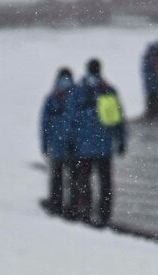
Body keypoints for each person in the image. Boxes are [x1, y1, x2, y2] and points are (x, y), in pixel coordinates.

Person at [68, 58, 127, 227]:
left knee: (84, 180)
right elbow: (118, 119)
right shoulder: (109, 90)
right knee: (105, 182)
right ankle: (104, 214)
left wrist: (69, 141)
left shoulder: (77, 91)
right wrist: (121, 140)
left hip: (82, 146)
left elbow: (70, 119)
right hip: (104, 145)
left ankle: (85, 211)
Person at [39, 67, 74, 216]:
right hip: (73, 144)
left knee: (57, 177)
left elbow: (44, 124)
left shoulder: (52, 97)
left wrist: (45, 145)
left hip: (56, 143)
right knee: (73, 177)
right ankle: (73, 206)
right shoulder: (77, 95)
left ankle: (56, 205)